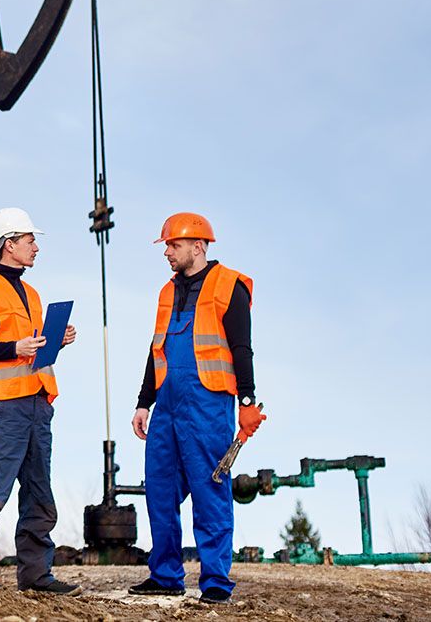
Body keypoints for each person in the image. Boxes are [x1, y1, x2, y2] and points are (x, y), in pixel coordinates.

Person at [128, 212, 266, 604]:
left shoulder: (230, 285)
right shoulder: (166, 292)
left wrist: (247, 400)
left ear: (199, 246)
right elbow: (156, 350)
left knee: (209, 489)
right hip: (167, 405)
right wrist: (143, 402)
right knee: (159, 489)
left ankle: (216, 582)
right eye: (167, 246)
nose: (168, 252)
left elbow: (242, 347)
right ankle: (166, 574)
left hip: (207, 404)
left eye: (173, 245)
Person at [0, 207, 78, 594]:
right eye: (29, 241)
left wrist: (54, 340)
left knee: (40, 494)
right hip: (5, 406)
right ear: (9, 244)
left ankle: (37, 576)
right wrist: (14, 347)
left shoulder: (32, 293)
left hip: (39, 404)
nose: (36, 247)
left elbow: (31, 348)